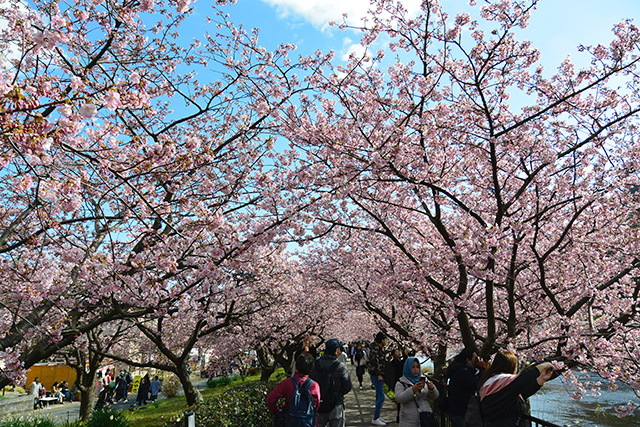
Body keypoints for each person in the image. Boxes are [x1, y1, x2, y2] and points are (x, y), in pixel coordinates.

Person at [479, 349, 554, 427]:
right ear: (511, 366)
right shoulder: (503, 381)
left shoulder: (493, 384)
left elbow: (521, 394)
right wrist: (543, 366)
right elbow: (523, 379)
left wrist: (540, 380)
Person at [310, 338, 352, 427]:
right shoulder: (340, 366)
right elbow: (347, 387)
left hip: (319, 404)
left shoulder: (315, 364)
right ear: (336, 351)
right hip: (336, 404)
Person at [267, 352, 321, 421]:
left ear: (296, 368)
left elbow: (270, 399)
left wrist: (278, 412)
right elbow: (316, 405)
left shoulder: (287, 383)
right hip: (308, 421)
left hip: (290, 420)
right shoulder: (314, 386)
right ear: (311, 368)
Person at [394, 357, 439, 427]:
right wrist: (412, 390)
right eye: (413, 367)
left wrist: (432, 389)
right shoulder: (401, 383)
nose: (415, 369)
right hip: (409, 421)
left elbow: (435, 396)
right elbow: (399, 398)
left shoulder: (424, 380)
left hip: (425, 418)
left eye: (417, 367)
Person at [447, 348, 485, 427]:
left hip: (457, 411)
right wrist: (482, 369)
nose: (477, 361)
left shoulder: (459, 370)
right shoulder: (462, 371)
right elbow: (476, 384)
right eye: (475, 358)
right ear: (468, 360)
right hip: (461, 412)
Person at [367, 332, 387, 425]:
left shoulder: (376, 348)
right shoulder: (376, 349)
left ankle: (378, 416)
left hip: (377, 374)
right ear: (382, 340)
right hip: (376, 375)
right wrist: (379, 374)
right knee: (382, 397)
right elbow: (376, 362)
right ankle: (375, 418)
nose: (386, 341)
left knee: (378, 396)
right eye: (385, 339)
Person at [389, 349, 404, 422]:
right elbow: (402, 366)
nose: (399, 353)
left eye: (399, 352)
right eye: (397, 352)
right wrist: (406, 355)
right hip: (398, 382)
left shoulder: (399, 361)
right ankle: (399, 416)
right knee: (399, 399)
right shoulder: (394, 362)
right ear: (393, 355)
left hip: (402, 381)